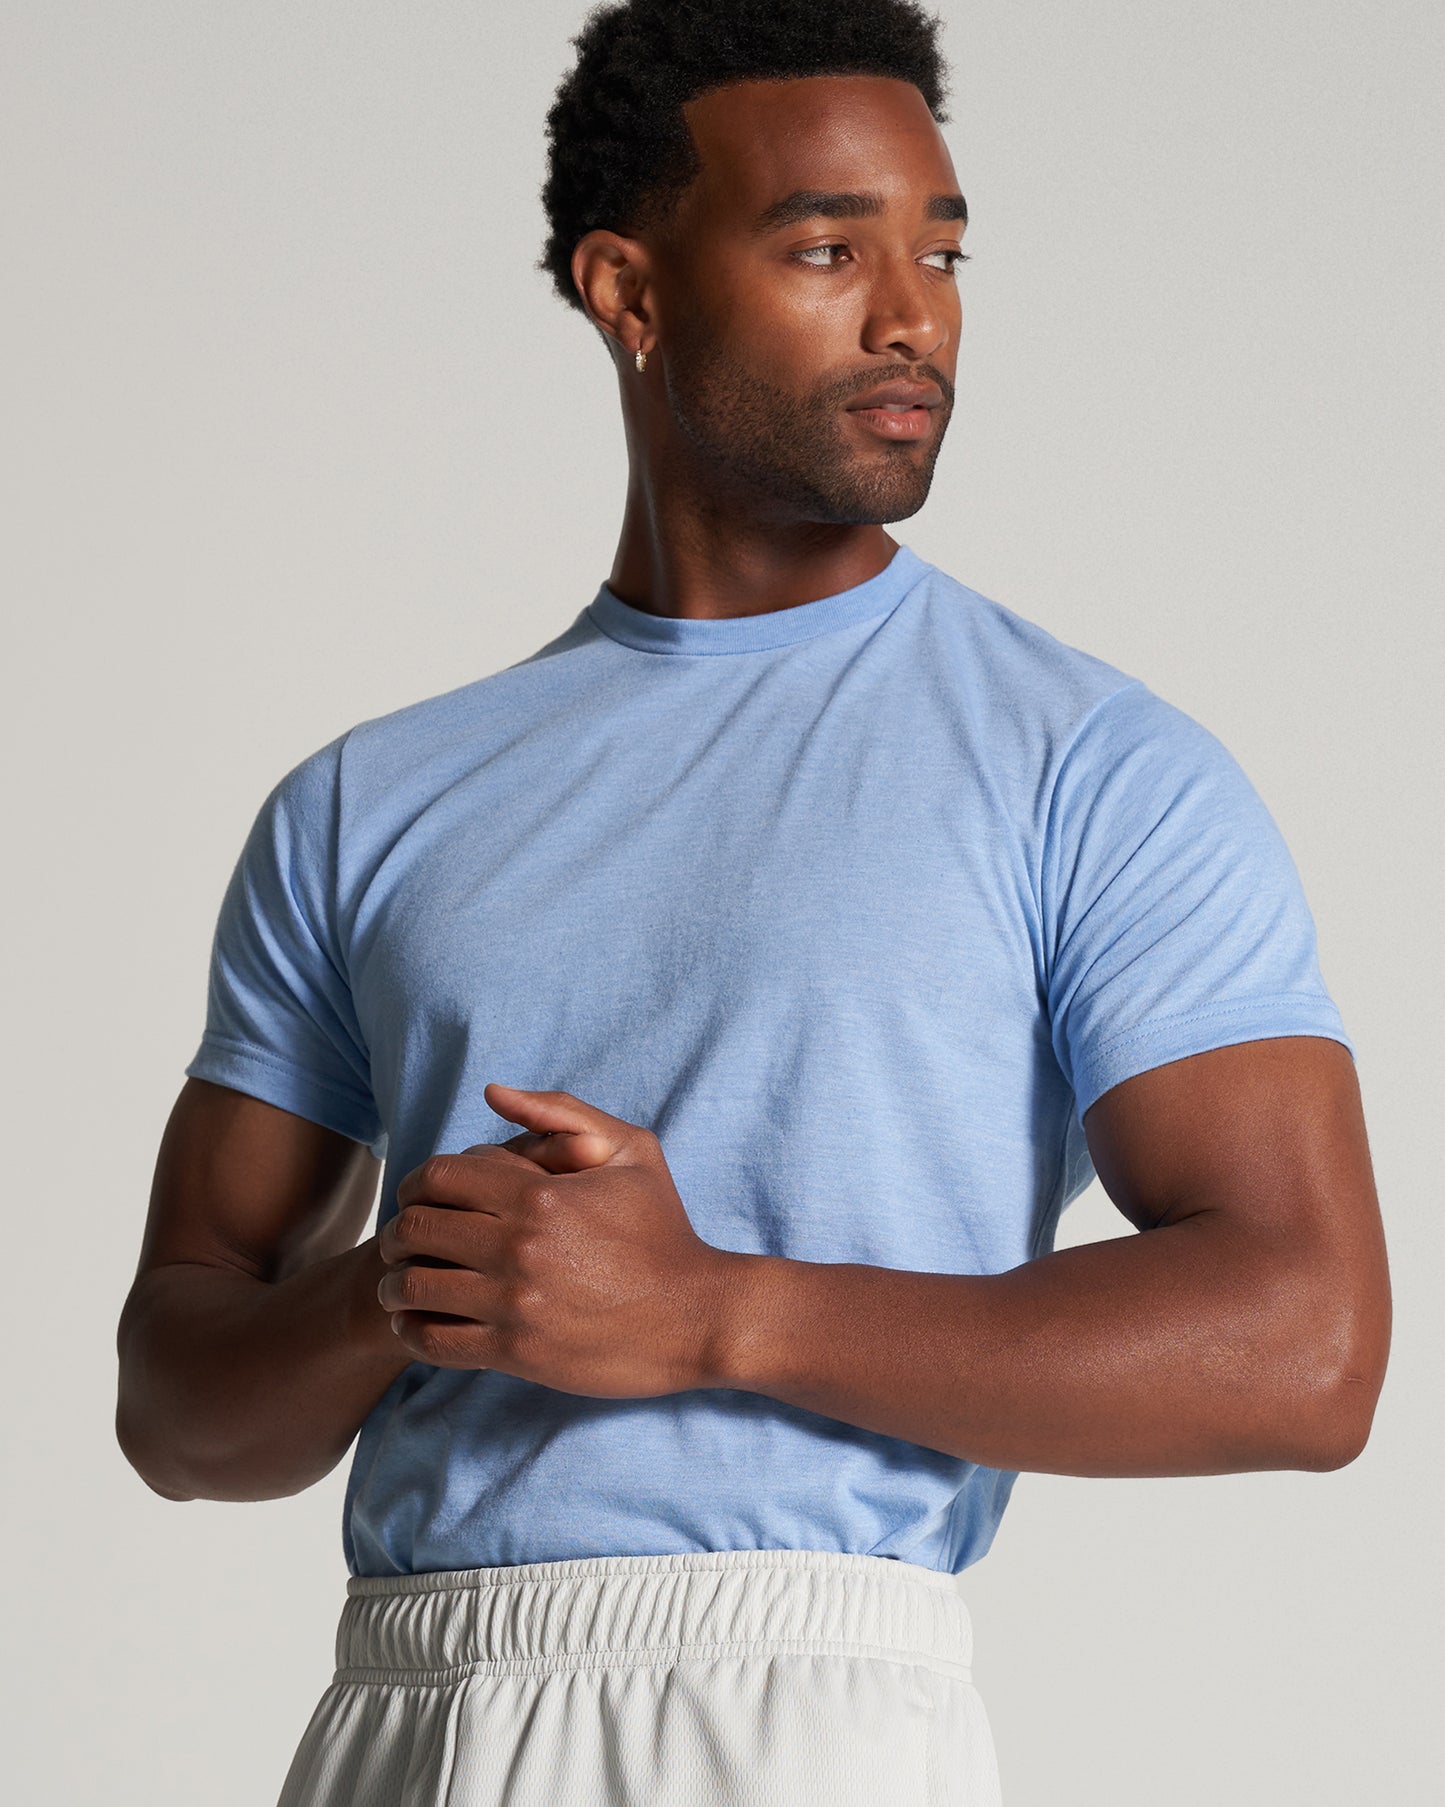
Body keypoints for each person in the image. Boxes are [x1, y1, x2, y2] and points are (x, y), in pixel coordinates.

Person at [114, 2, 1392, 1802]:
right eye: (826, 246)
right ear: (626, 291)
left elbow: (1304, 1348)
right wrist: (401, 1289)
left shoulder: (1087, 766)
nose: (911, 313)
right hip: (402, 1710)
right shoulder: (368, 803)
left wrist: (715, 1310)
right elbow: (175, 1409)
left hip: (797, 1712)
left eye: (939, 250)